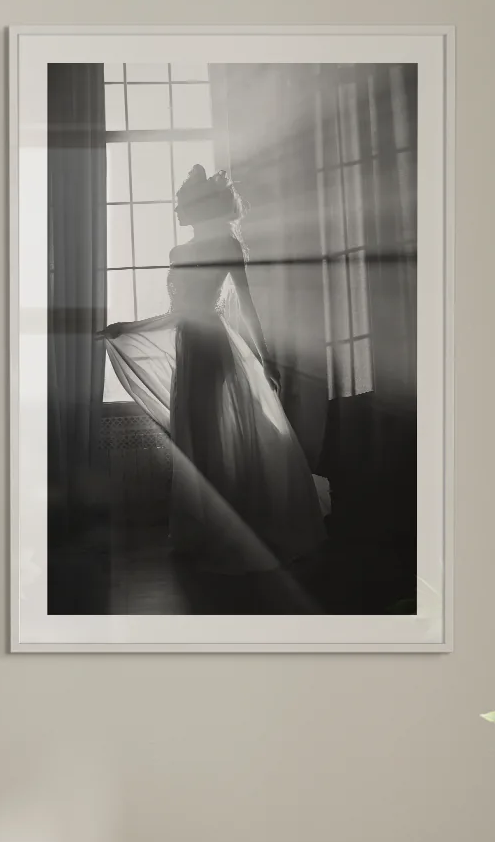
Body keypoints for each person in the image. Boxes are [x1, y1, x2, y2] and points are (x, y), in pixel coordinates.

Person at [99, 164, 326, 573]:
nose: (177, 211)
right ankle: (208, 529)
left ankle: (240, 529)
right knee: (196, 440)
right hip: (190, 347)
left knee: (223, 437)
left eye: (182, 203)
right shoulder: (177, 252)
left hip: (216, 349)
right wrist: (129, 329)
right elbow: (176, 312)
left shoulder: (227, 244)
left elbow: (248, 307)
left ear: (199, 207)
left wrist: (265, 359)